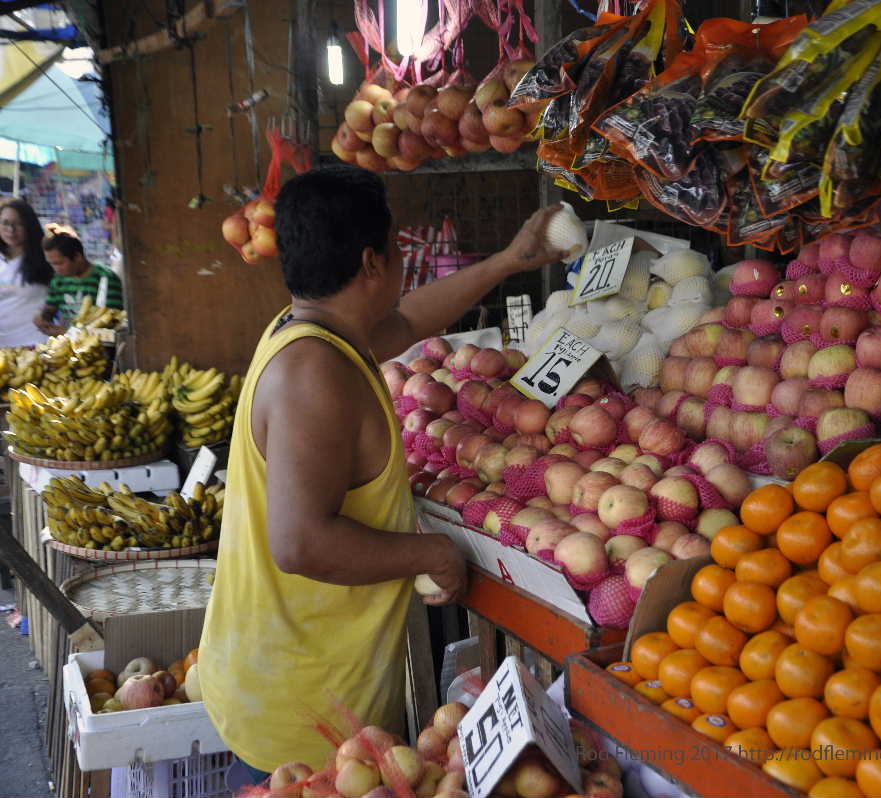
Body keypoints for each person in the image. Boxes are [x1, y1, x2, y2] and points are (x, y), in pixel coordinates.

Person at [198, 164, 565, 781]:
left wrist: (508, 260)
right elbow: (301, 542)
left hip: (300, 674)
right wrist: (431, 553)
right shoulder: (313, 374)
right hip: (298, 709)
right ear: (372, 263)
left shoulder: (314, 331)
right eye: (395, 247)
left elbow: (408, 322)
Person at [35, 224, 124, 335]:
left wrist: (67, 333)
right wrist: (43, 317)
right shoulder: (59, 280)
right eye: (51, 264)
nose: (55, 268)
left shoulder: (106, 279)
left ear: (77, 257)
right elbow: (50, 308)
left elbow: (112, 323)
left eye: (59, 263)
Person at [0, 198, 54, 347]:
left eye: (18, 224)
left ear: (29, 225)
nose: (11, 229)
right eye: (5, 223)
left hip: (37, 346)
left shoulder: (47, 259)